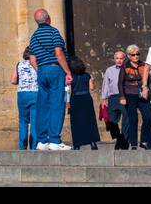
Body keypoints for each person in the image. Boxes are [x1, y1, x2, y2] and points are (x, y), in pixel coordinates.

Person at [29, 8, 73, 151]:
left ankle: (42, 141)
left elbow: (32, 58)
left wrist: (40, 70)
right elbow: (59, 53)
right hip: (55, 69)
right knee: (57, 104)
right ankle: (54, 140)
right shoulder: (54, 32)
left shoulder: (33, 36)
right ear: (48, 19)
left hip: (41, 70)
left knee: (42, 105)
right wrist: (67, 71)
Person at [116, 45, 147, 149]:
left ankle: (143, 140)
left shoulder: (143, 65)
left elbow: (148, 78)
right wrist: (122, 97)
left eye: (138, 54)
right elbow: (120, 83)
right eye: (133, 55)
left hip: (142, 94)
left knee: (148, 116)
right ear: (129, 56)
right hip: (130, 94)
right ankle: (133, 143)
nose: (136, 56)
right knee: (133, 119)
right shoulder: (125, 66)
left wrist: (146, 89)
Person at [68, 56, 99, 150]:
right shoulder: (87, 75)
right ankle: (93, 142)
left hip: (75, 98)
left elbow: (68, 90)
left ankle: (77, 144)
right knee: (90, 120)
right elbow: (92, 88)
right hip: (86, 98)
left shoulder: (71, 77)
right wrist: (92, 81)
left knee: (76, 121)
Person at [11, 47, 39, 149]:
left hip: (22, 94)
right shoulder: (37, 65)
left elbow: (13, 80)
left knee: (23, 120)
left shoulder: (19, 65)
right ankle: (34, 146)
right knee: (34, 121)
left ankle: (22, 146)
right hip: (35, 93)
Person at [101, 50, 125, 142]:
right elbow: (106, 84)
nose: (119, 60)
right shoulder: (109, 70)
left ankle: (125, 136)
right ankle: (116, 137)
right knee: (112, 119)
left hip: (124, 96)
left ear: (124, 59)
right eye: (117, 58)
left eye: (121, 58)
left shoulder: (127, 69)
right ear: (114, 59)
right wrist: (104, 98)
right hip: (113, 97)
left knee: (126, 118)